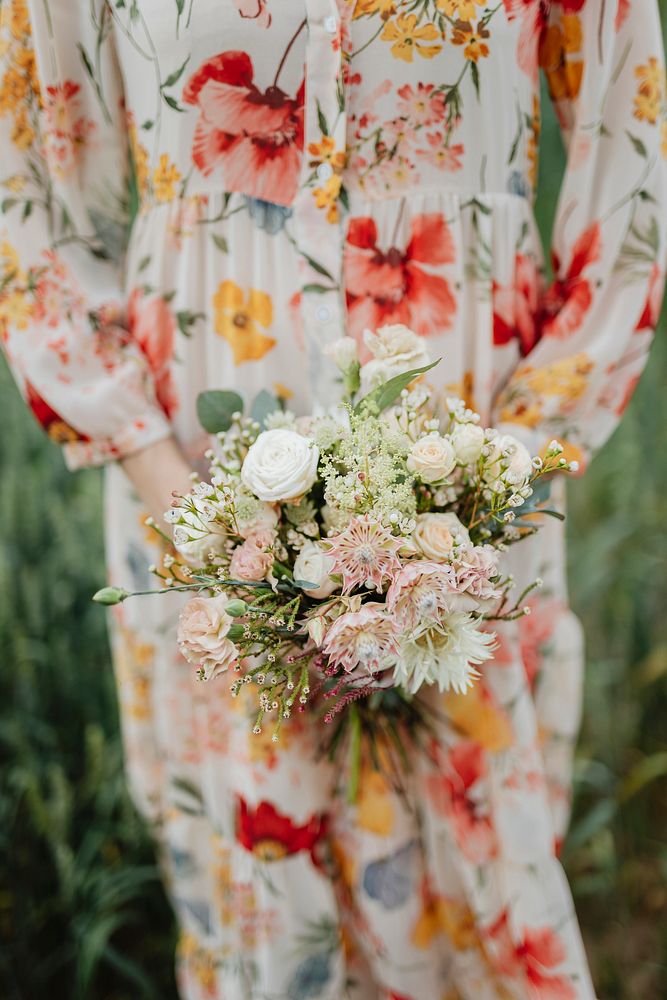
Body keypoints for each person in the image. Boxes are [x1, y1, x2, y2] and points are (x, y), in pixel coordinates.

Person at [1, 1, 665, 997]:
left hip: (473, 505)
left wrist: (481, 485)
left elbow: (628, 195)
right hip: (197, 500)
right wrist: (194, 512)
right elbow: (39, 209)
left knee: (469, 881)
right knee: (255, 898)